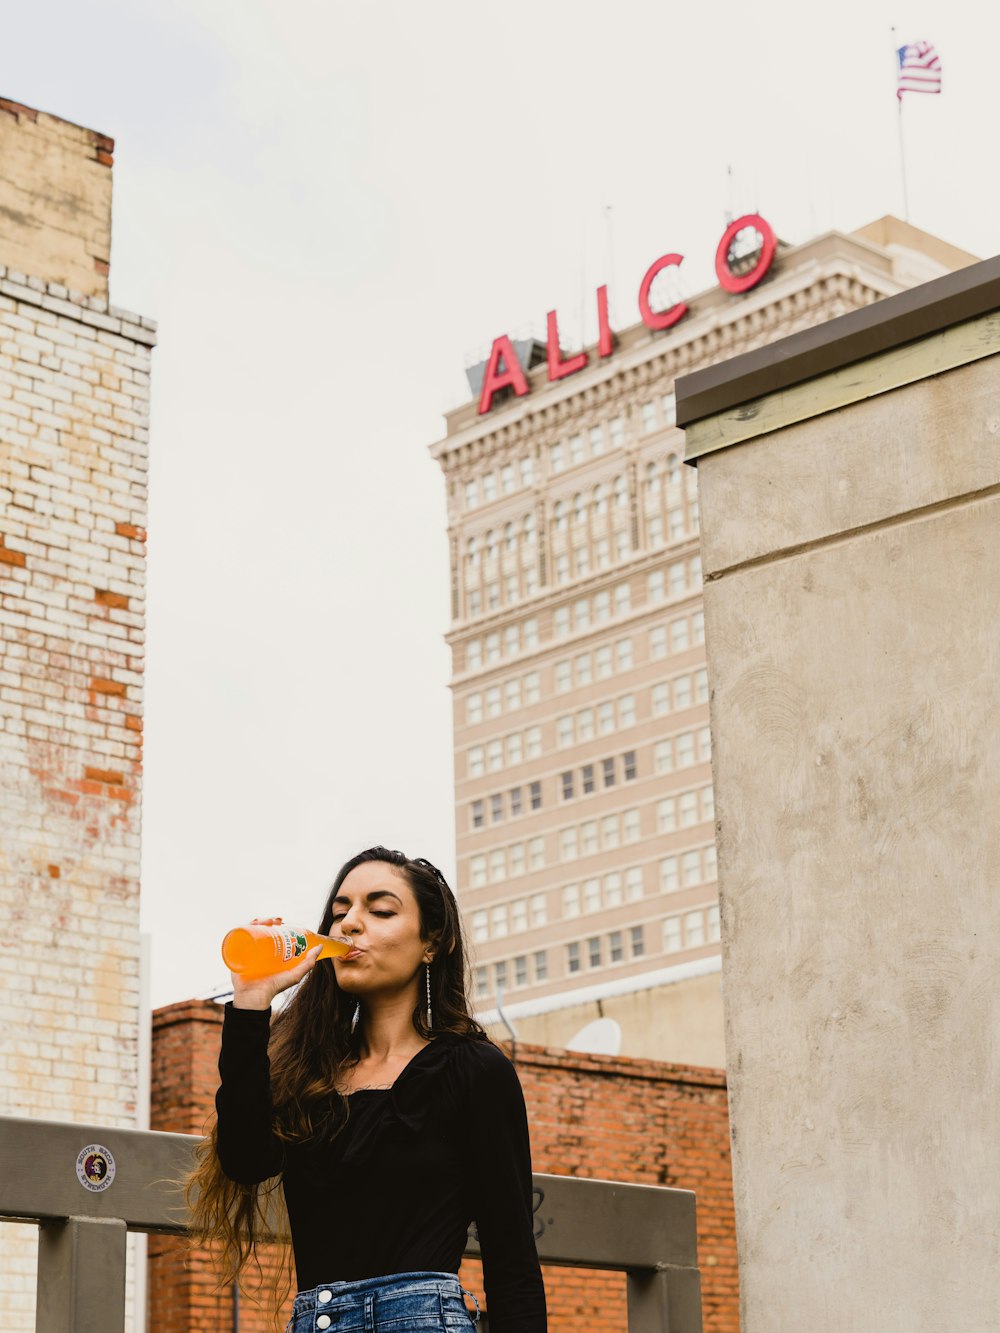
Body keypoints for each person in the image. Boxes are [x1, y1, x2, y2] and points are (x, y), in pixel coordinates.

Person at [189, 846, 548, 1333]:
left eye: (380, 911)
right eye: (340, 912)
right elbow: (245, 1159)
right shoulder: (310, 1074)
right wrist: (251, 1002)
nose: (350, 925)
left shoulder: (473, 1070)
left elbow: (512, 1260)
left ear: (432, 943)